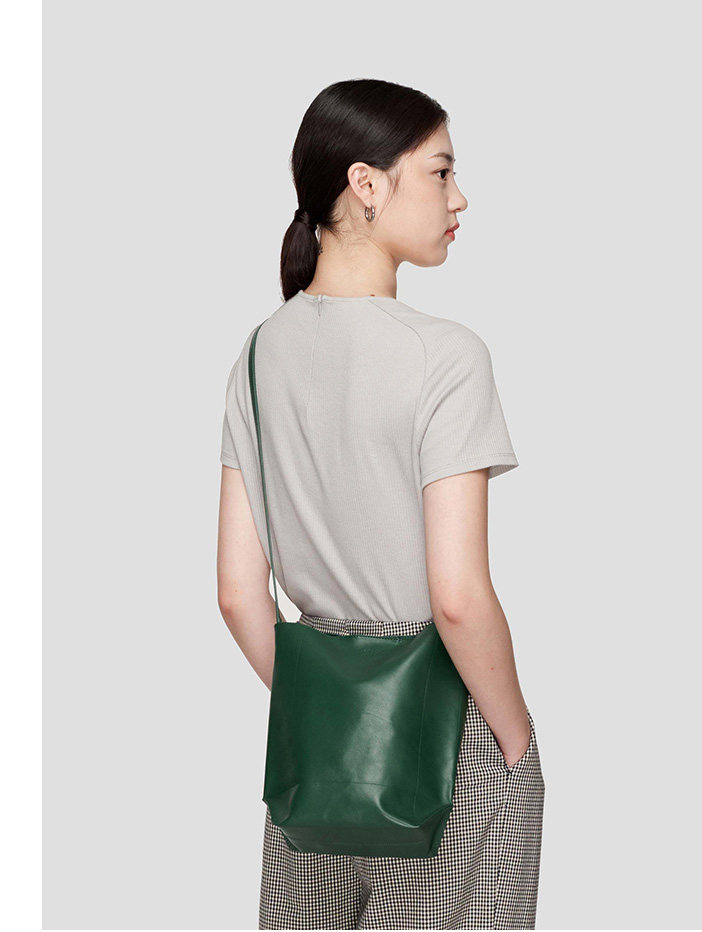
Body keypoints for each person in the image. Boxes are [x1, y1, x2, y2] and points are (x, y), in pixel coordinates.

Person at [217, 78, 545, 930]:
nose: (458, 198)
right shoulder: (446, 357)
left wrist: (330, 708)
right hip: (448, 734)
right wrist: (515, 741)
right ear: (366, 184)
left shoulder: (257, 356)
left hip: (318, 742)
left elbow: (238, 594)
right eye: (440, 172)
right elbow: (457, 597)